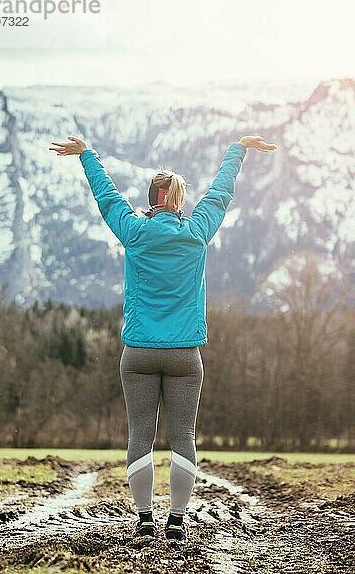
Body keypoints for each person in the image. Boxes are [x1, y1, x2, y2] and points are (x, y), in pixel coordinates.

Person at [49, 134, 278, 541]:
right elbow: (221, 193)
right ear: (179, 200)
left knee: (140, 434)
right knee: (183, 436)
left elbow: (108, 198)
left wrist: (87, 156)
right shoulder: (196, 232)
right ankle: (175, 519)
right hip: (184, 355)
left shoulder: (134, 232)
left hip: (137, 353)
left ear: (153, 198)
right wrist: (238, 150)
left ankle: (143, 519)